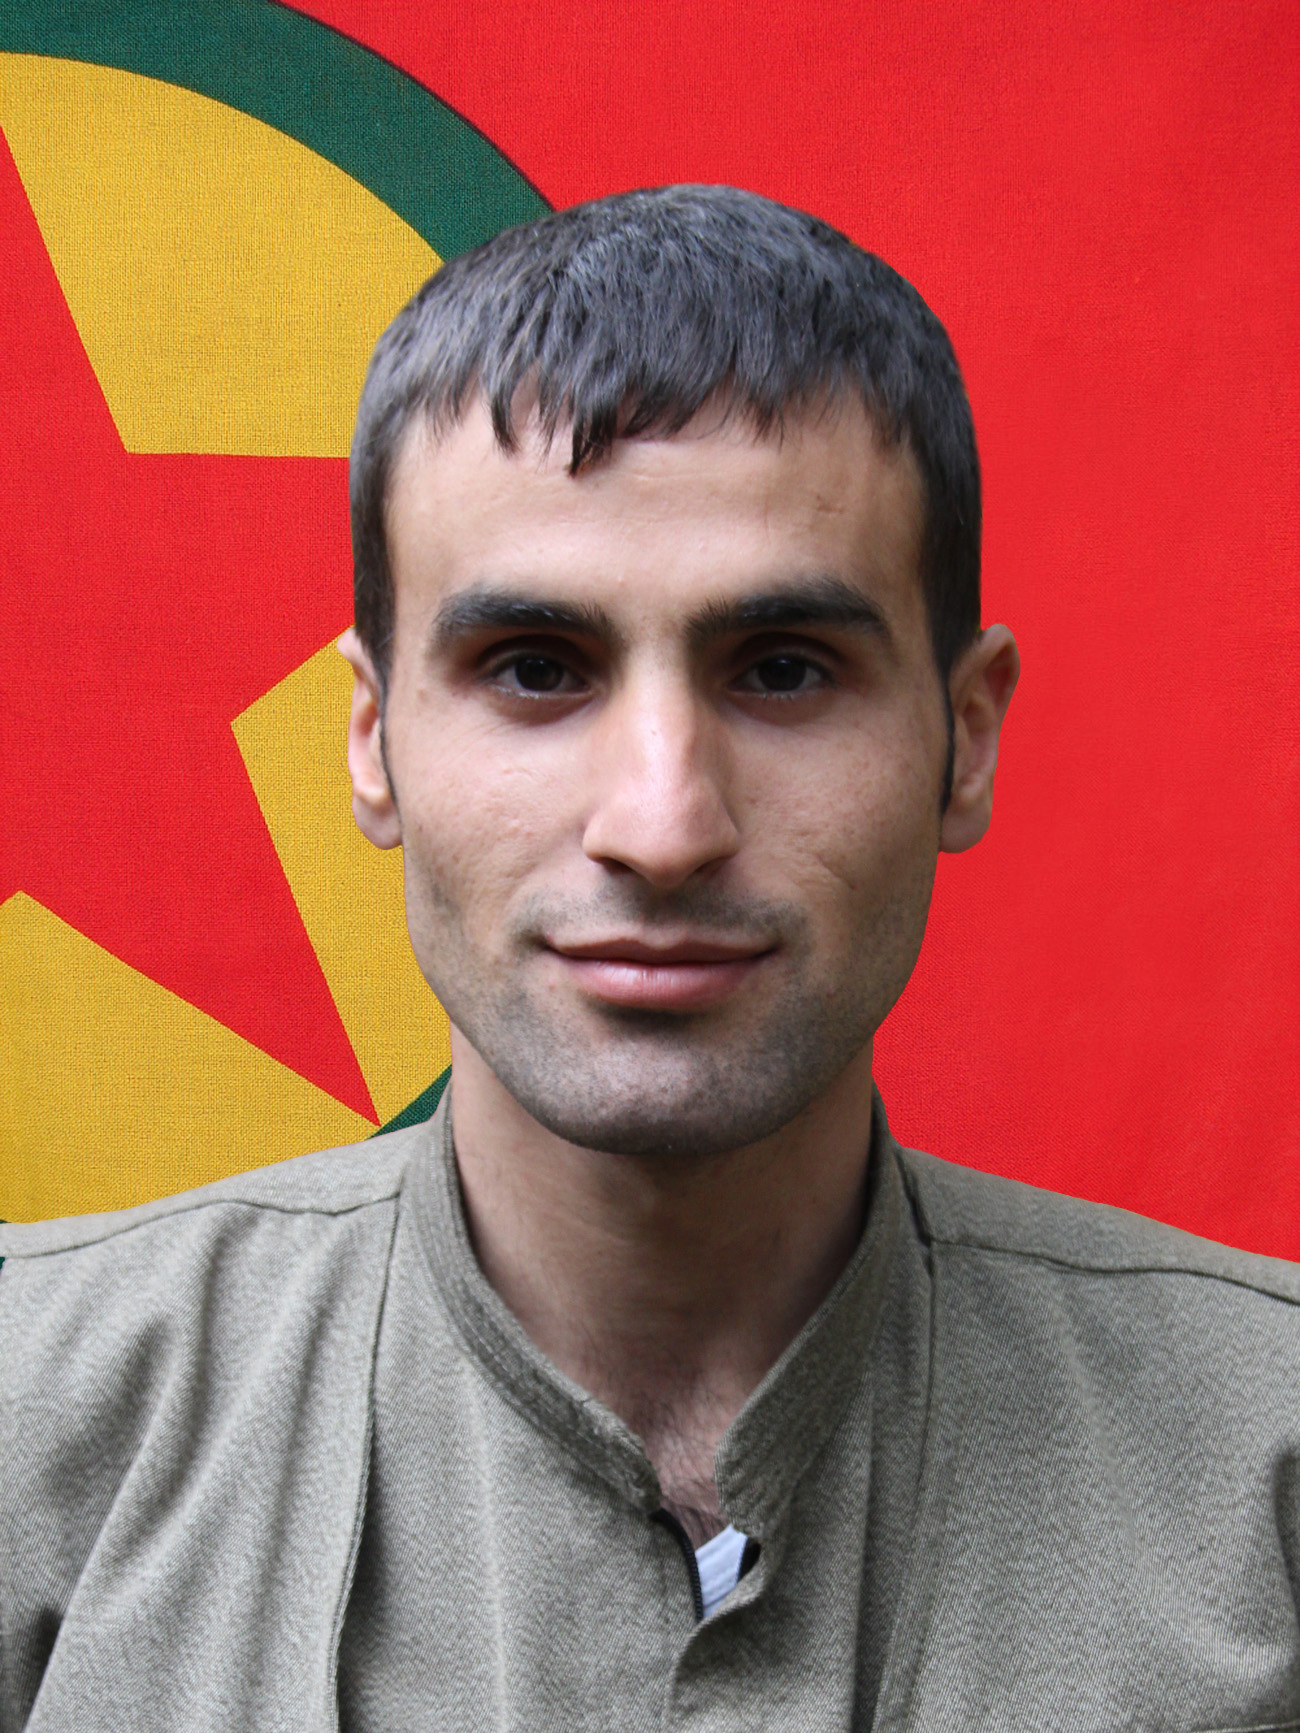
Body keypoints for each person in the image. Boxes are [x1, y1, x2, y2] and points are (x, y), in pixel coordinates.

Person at [1, 185, 1297, 1733]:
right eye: (535, 668)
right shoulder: (35, 1431)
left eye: (785, 669)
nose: (664, 823)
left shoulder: (1267, 1471)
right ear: (371, 738)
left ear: (964, 738)